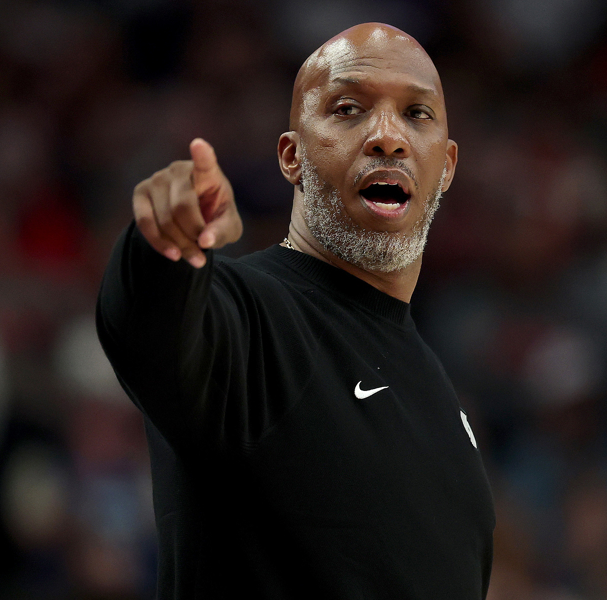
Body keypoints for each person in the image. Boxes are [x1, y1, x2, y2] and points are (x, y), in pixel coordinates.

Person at [96, 23, 494, 599]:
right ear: (292, 155)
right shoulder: (251, 315)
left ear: (448, 165)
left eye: (416, 114)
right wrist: (162, 245)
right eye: (349, 109)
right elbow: (146, 326)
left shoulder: (435, 382)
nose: (388, 137)